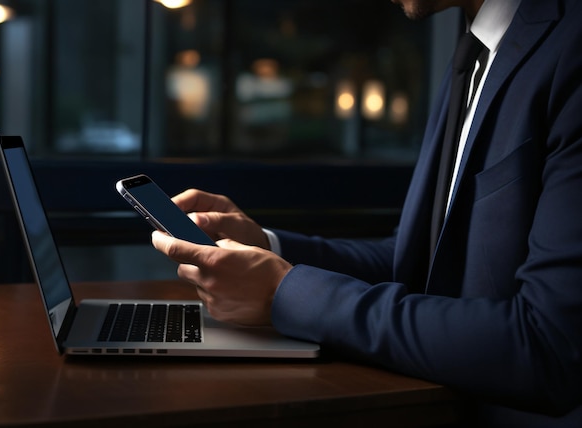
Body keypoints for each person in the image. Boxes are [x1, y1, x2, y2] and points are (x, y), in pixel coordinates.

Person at [151, 0, 582, 426]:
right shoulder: (473, 52)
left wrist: (282, 291)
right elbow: (411, 261)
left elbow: (548, 345)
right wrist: (268, 249)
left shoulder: (569, 48)